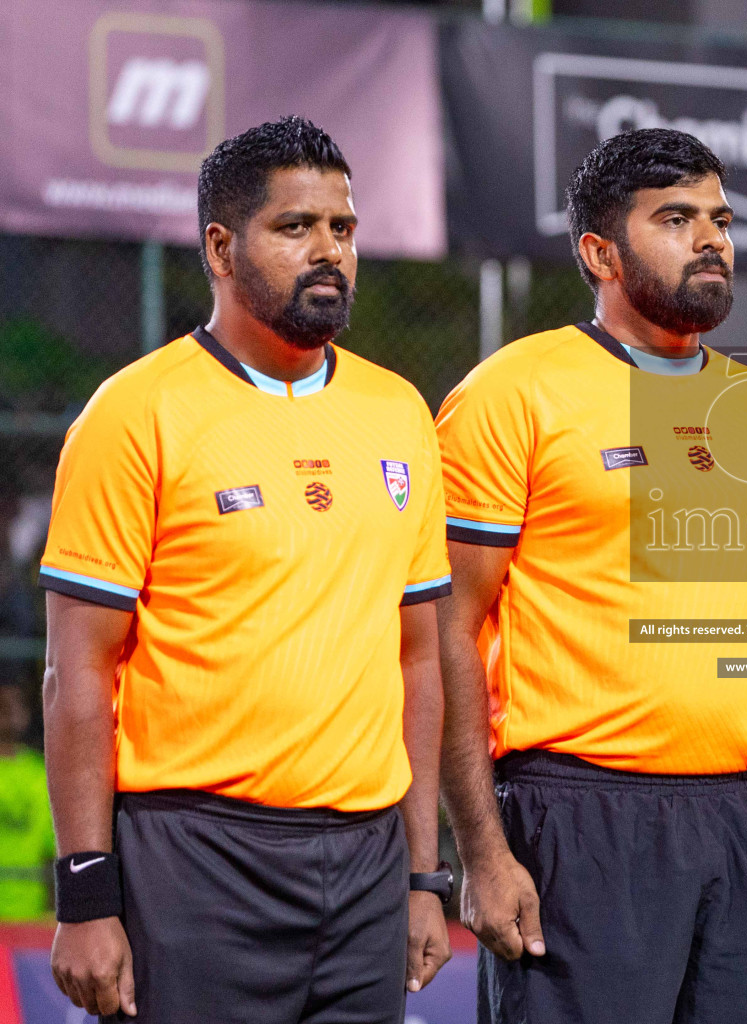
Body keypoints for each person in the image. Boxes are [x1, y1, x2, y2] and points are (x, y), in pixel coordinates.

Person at [41, 116, 453, 1022]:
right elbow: (77, 673)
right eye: (295, 227)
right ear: (221, 248)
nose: (329, 251)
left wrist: (425, 872)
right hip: (192, 859)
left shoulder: (398, 413)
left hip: (367, 863)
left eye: (342, 229)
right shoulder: (136, 412)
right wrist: (85, 895)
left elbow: (418, 660)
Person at [434, 127, 747, 1024]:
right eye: (677, 219)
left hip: (744, 822)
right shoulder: (515, 391)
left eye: (720, 219)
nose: (711, 240)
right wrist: (483, 852)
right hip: (582, 814)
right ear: (600, 252)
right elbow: (446, 629)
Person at [0, 681, 52, 921]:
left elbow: (52, 852)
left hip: (31, 919)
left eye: (13, 705)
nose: (8, 713)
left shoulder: (42, 773)